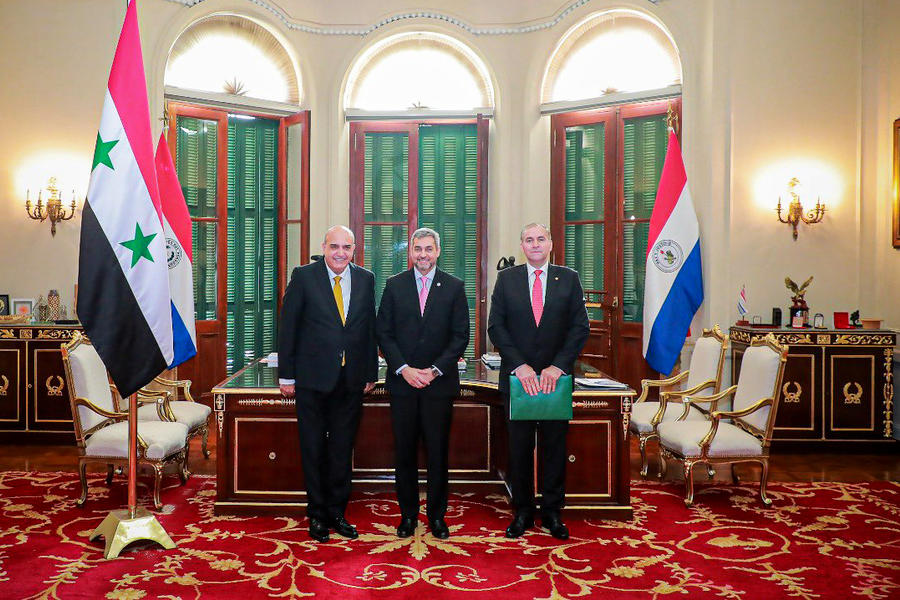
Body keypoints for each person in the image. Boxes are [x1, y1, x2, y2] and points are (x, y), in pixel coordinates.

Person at [487, 222, 589, 540]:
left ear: (550, 244)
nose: (534, 244)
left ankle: (552, 513)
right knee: (518, 449)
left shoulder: (568, 279)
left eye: (540, 239)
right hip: (519, 380)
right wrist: (520, 366)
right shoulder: (507, 280)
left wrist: (557, 367)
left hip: (553, 382)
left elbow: (579, 328)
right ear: (522, 245)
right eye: (528, 239)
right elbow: (496, 327)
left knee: (553, 448)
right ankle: (522, 512)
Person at [278, 225, 378, 543]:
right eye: (334, 246)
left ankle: (337, 513)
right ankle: (317, 515)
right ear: (324, 246)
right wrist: (286, 375)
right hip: (311, 381)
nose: (340, 253)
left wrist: (370, 374)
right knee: (313, 449)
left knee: (340, 450)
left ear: (353, 250)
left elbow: (368, 330)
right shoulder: (304, 276)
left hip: (350, 383)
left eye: (346, 247)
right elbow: (288, 327)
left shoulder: (365, 279)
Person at [376, 228, 469, 539]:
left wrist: (434, 370)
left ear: (438, 251)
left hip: (438, 385)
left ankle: (437, 517)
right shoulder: (394, 285)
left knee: (437, 454)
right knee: (403, 453)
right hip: (403, 384)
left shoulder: (454, 287)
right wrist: (404, 368)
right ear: (410, 252)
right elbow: (383, 332)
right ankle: (408, 516)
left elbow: (460, 337)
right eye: (418, 249)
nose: (423, 255)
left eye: (429, 249)